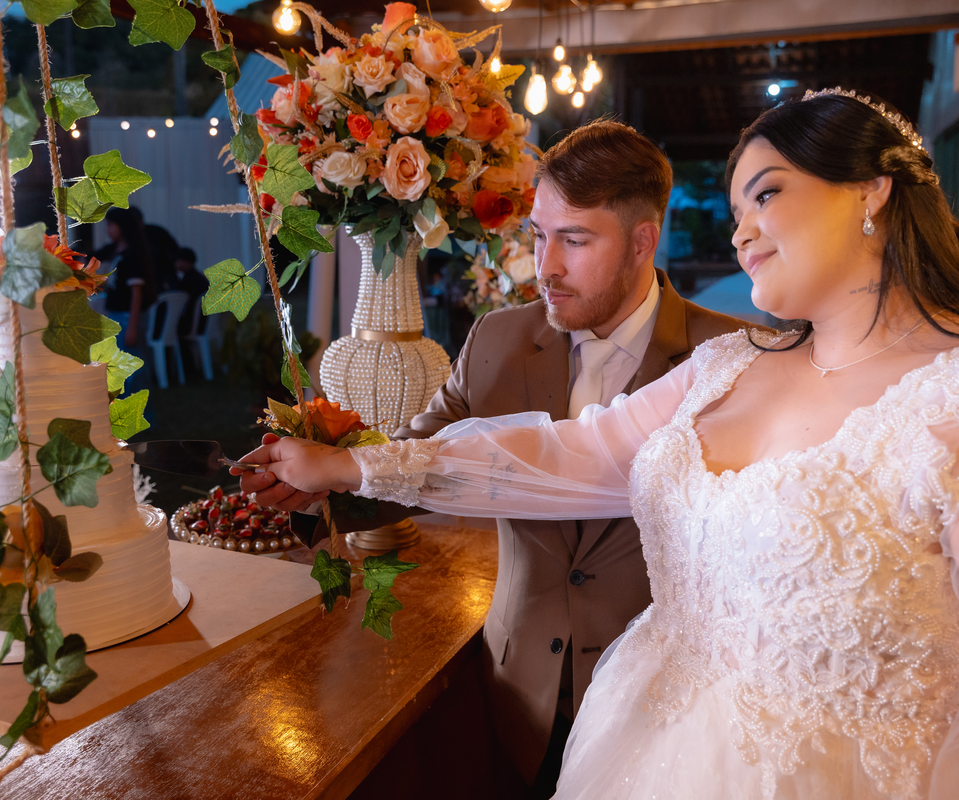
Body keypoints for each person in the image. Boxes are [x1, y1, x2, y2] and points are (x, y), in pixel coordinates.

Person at [234, 93, 959, 799]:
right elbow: (568, 453)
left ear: (872, 192)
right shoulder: (730, 367)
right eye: (735, 211)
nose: (741, 230)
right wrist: (349, 464)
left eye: (766, 194)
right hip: (638, 745)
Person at [241, 119, 756, 795]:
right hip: (520, 691)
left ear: (642, 241)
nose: (546, 266)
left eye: (574, 240)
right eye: (539, 235)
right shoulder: (496, 340)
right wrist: (314, 485)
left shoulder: (732, 359)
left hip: (669, 712)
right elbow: (416, 461)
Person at [98, 206, 157, 349]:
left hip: (126, 316)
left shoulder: (131, 255)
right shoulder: (117, 252)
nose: (108, 230)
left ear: (122, 226)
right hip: (116, 313)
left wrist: (132, 327)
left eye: (111, 225)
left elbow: (136, 292)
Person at [172, 247, 209, 338]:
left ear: (183, 261)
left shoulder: (188, 280)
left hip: (193, 323)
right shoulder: (200, 277)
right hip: (205, 323)